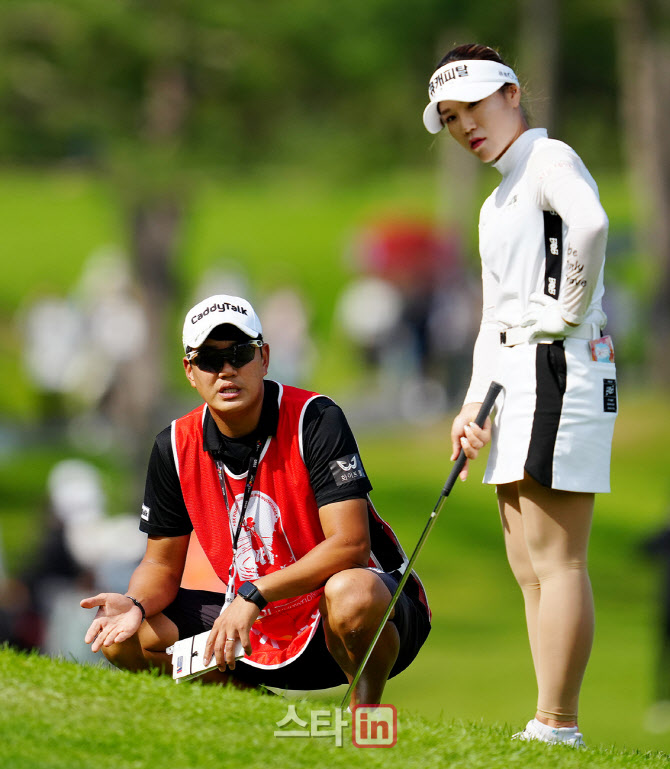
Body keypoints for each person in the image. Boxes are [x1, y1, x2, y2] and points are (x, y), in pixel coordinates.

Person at [81, 293, 431, 706]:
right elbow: (160, 563)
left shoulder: (316, 419)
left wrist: (255, 593)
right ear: (190, 372)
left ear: (264, 358)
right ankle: (254, 710)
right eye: (210, 359)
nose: (226, 370)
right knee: (123, 638)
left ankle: (365, 715)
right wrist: (135, 602)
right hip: (253, 623)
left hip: (347, 618)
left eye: (240, 353)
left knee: (351, 592)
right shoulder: (173, 447)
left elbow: (352, 546)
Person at [422, 44, 618, 746]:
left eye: (472, 106)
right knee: (526, 561)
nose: (464, 126)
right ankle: (545, 718)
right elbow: (496, 317)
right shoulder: (497, 197)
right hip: (518, 377)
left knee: (557, 555)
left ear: (510, 92)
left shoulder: (548, 159)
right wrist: (473, 406)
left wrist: (568, 308)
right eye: (450, 118)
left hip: (563, 368)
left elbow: (591, 226)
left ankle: (559, 723)